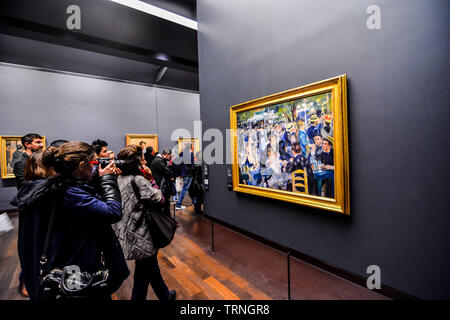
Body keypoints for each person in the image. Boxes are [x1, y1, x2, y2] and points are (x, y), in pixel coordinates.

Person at [16, 141, 129, 300]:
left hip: (65, 259)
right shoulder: (71, 193)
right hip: (76, 269)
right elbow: (113, 212)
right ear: (82, 166)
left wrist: (96, 180)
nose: (95, 167)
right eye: (93, 163)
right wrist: (108, 179)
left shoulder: (57, 185)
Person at [113, 145, 176, 301]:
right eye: (141, 159)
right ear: (136, 163)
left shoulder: (119, 179)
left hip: (128, 232)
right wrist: (151, 179)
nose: (144, 161)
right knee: (144, 273)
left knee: (149, 270)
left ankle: (166, 296)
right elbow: (159, 199)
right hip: (142, 233)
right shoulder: (138, 180)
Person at [151, 148, 175, 215]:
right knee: (164, 204)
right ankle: (167, 222)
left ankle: (167, 221)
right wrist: (170, 170)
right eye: (170, 156)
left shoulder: (159, 160)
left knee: (165, 204)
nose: (170, 157)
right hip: (160, 186)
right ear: (167, 155)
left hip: (160, 185)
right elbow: (167, 173)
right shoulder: (158, 161)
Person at [174, 143, 194, 210]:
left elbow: (177, 165)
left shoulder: (181, 153)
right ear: (191, 147)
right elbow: (190, 164)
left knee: (189, 188)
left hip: (183, 173)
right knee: (184, 189)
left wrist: (180, 173)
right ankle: (178, 204)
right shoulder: (190, 153)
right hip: (188, 174)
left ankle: (194, 202)